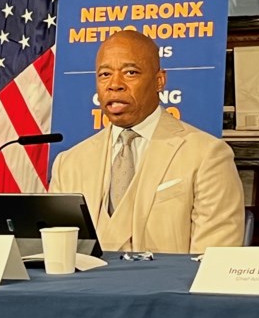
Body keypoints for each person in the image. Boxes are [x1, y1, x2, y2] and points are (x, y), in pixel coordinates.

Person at [49, 30, 245, 254]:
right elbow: (57, 254)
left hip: (168, 287)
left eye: (130, 73)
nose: (114, 84)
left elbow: (213, 259)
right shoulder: (69, 163)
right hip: (81, 288)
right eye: (104, 74)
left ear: (159, 80)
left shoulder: (207, 155)